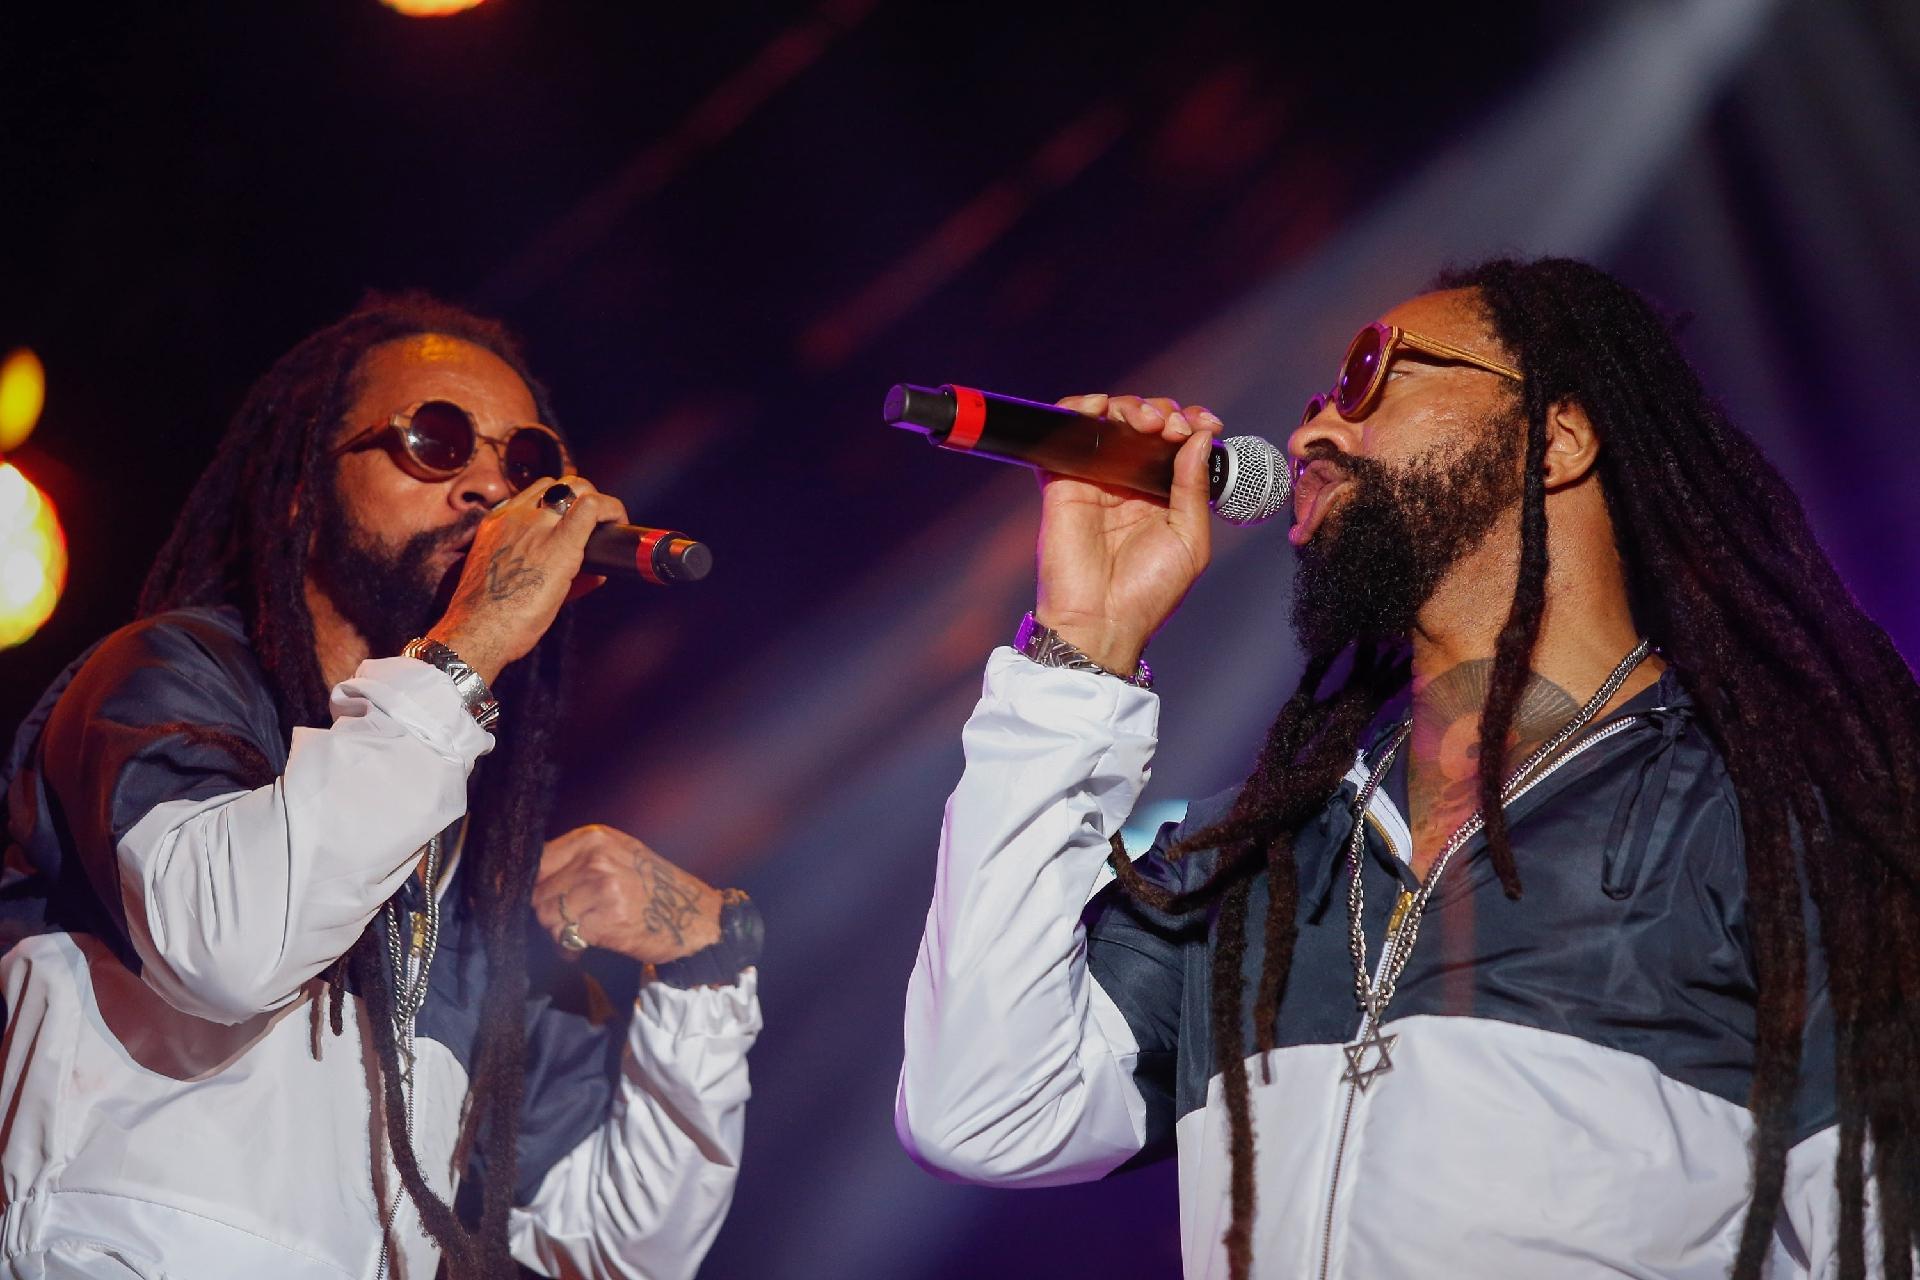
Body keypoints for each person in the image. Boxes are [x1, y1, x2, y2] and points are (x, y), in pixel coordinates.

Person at [895, 257, 1920, 1278]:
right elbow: (983, 1109)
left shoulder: (1785, 826)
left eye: (1371, 377)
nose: (1308, 434)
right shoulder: (1251, 859)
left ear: (1556, 438)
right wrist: (1083, 643)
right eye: (1313, 401)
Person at [0, 294, 763, 1279]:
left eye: (526, 461)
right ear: (302, 492)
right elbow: (228, 946)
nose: (490, 486)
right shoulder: (169, 678)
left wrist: (707, 966)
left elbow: (616, 1242)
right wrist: (472, 646)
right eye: (436, 442)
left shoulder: (462, 859)